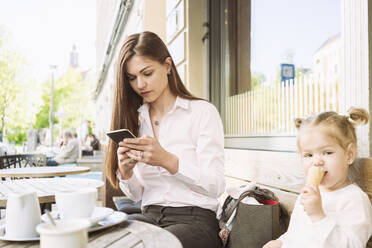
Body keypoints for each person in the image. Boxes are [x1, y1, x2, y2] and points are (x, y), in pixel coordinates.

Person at [105, 31, 225, 248]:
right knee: (107, 240)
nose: (140, 84)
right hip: (149, 215)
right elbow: (134, 195)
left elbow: (215, 186)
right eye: (132, 78)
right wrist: (126, 172)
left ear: (168, 66)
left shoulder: (202, 112)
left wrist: (168, 160)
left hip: (195, 220)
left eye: (147, 73)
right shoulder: (136, 120)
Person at [264, 107, 372, 248]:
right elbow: (297, 233)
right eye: (309, 155)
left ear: (349, 154)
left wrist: (318, 215)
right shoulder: (309, 194)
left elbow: (352, 245)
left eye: (327, 152)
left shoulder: (354, 199)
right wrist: (282, 242)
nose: (317, 161)